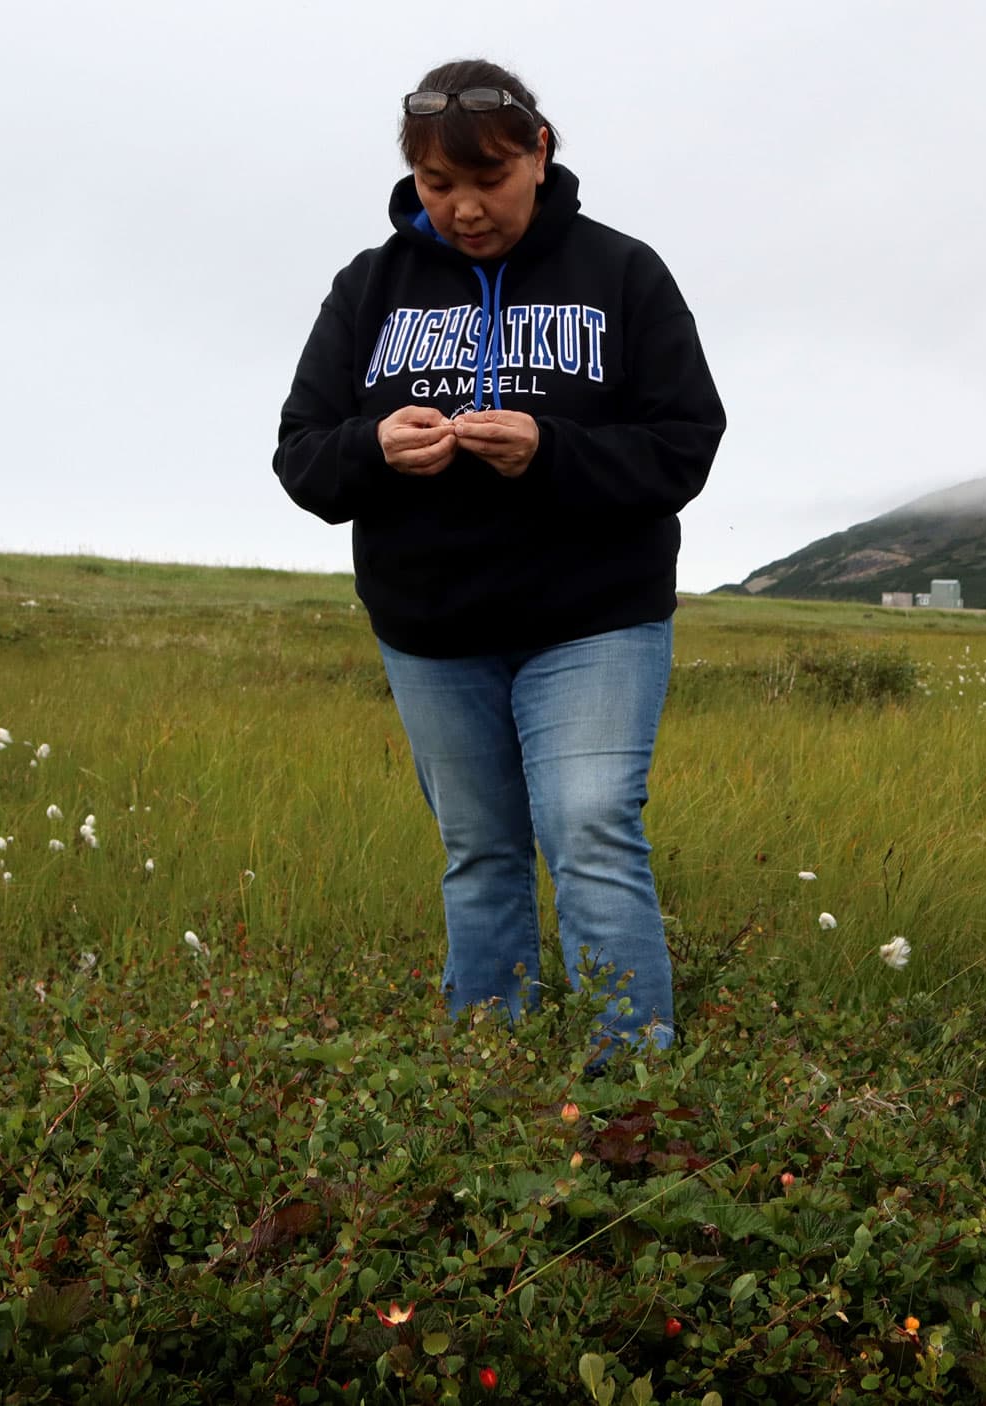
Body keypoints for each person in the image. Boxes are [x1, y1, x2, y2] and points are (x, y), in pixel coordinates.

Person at [272, 59, 725, 1058]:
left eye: (489, 178)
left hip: (595, 619)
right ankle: (491, 1075)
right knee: (480, 852)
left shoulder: (622, 273)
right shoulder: (371, 285)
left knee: (592, 828)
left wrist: (551, 449)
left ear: (538, 152)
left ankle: (629, 1088)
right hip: (431, 628)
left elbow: (686, 440)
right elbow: (302, 454)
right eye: (439, 185)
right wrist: (372, 446)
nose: (465, 208)